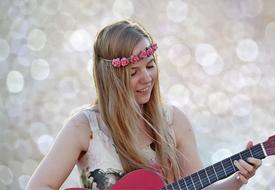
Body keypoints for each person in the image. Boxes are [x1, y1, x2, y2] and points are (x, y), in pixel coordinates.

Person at [26, 20, 262, 190]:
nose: (147, 78)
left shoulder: (173, 121)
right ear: (112, 78)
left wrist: (238, 179)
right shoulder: (84, 128)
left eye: (150, 66)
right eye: (133, 72)